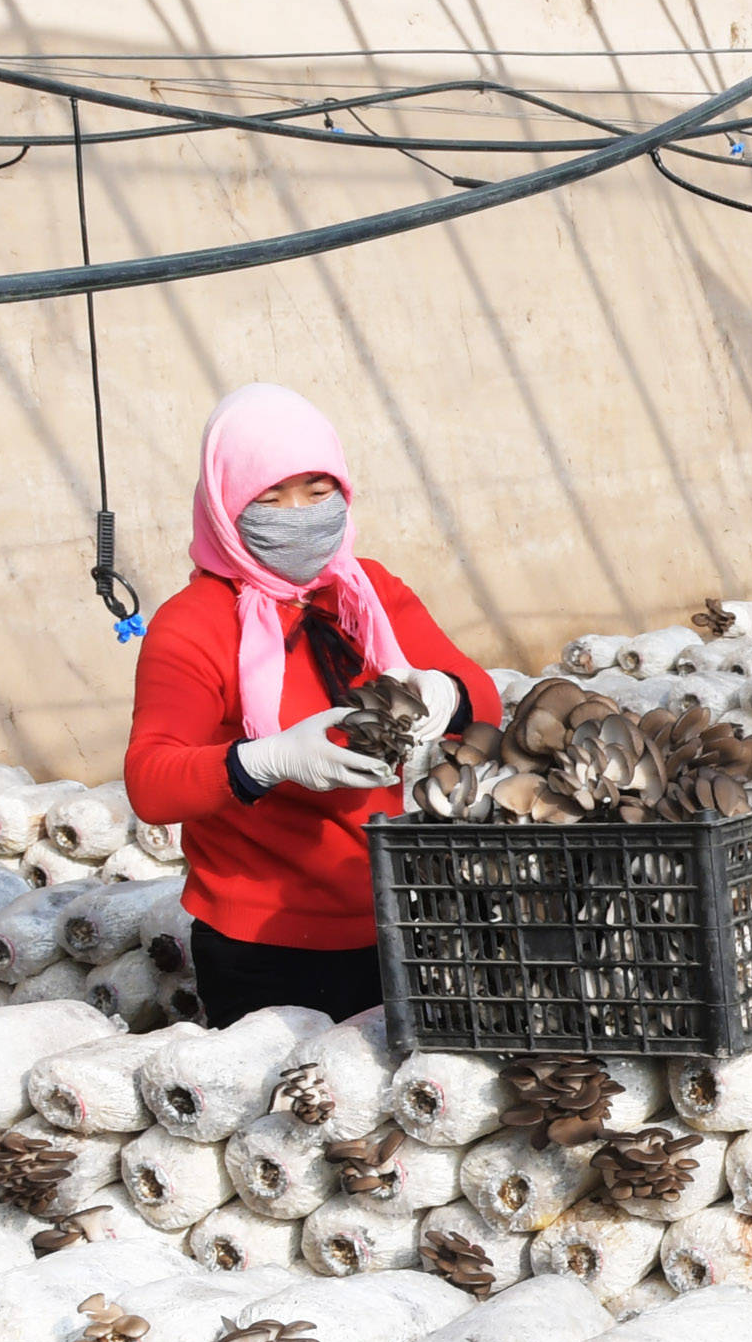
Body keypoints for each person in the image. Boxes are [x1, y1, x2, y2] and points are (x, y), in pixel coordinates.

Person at [122, 384, 505, 1027]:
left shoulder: (369, 594)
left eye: (316, 491)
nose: (297, 514)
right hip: (262, 946)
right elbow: (151, 784)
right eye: (267, 499)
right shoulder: (194, 624)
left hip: (399, 915)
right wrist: (268, 760)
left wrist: (446, 694)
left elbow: (482, 694)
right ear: (222, 506)